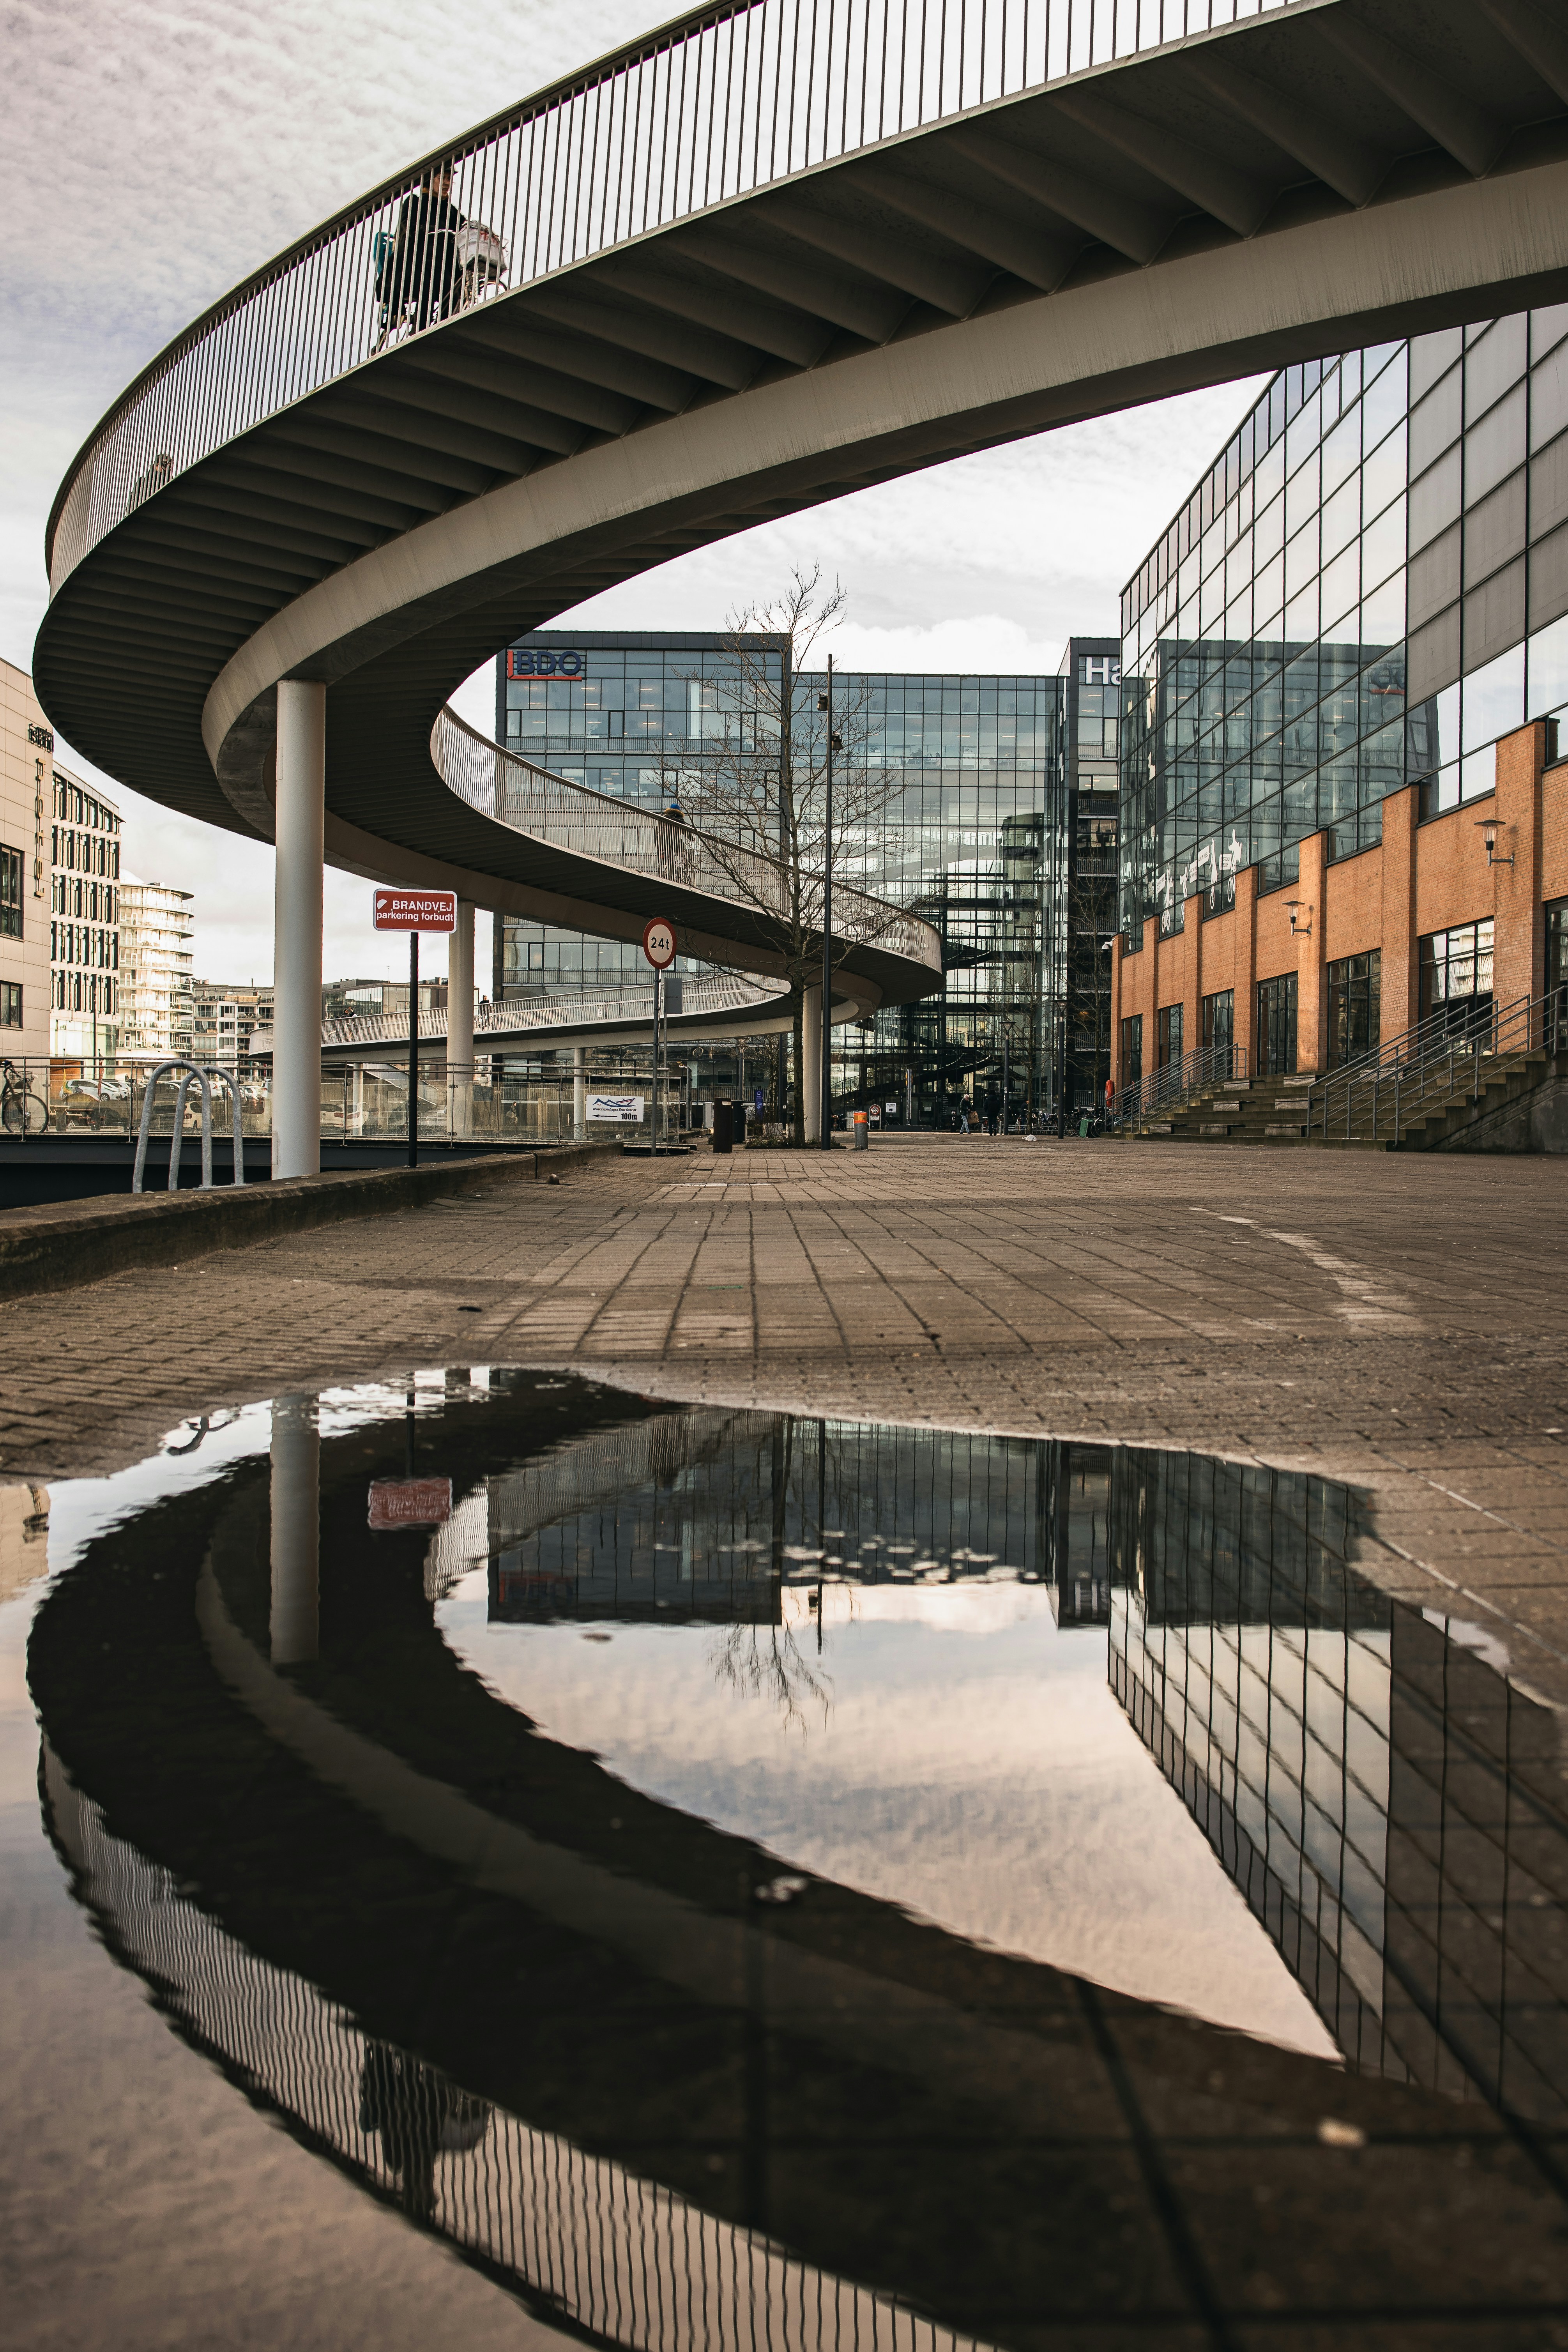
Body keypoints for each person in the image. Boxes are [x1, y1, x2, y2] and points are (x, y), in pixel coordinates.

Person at [387, 164, 463, 332]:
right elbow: (410, 227)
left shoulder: (450, 210)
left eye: (449, 179)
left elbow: (465, 228)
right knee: (429, 274)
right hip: (415, 260)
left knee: (458, 278)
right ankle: (420, 328)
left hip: (443, 260)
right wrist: (433, 232)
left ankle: (446, 324)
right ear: (429, 181)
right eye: (441, 178)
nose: (447, 183)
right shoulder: (415, 202)